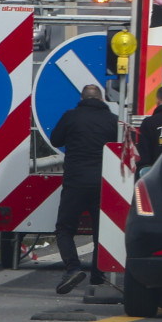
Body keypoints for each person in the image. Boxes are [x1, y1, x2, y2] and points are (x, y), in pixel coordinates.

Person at [49, 84, 119, 294]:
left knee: (64, 228)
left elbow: (55, 139)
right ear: (102, 99)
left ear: (82, 98)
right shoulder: (113, 120)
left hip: (75, 180)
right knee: (101, 231)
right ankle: (98, 275)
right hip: (102, 181)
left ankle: (73, 268)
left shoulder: (71, 116)